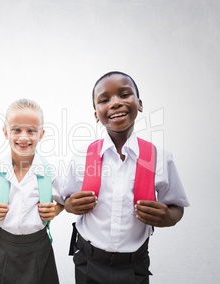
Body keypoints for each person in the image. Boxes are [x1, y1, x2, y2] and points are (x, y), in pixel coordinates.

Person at [62, 71, 190, 284]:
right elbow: (65, 200)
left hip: (134, 267)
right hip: (88, 262)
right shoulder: (82, 157)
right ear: (96, 114)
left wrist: (169, 217)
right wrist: (70, 205)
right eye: (104, 100)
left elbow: (177, 206)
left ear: (139, 104)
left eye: (124, 95)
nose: (115, 104)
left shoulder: (160, 158)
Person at [0, 99, 64, 284]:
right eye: (16, 129)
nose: (24, 137)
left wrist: (56, 210)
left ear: (41, 134)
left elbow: (66, 199)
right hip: (3, 248)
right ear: (5, 132)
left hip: (39, 249)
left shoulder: (49, 172)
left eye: (31, 130)